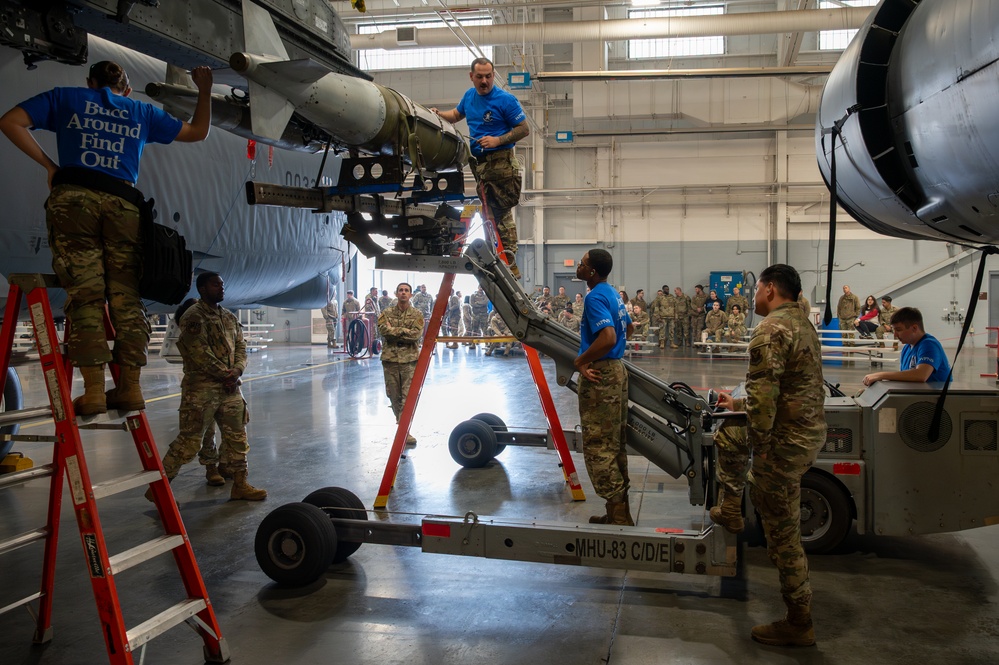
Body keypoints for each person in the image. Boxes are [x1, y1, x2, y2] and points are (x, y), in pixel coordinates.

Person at [0, 61, 214, 415]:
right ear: (127, 89)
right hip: (123, 205)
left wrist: (51, 167)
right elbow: (197, 132)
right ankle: (129, 388)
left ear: (90, 82)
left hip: (75, 200)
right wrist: (204, 90)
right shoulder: (140, 111)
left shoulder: (66, 98)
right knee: (127, 297)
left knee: (86, 296)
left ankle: (95, 391)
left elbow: (10, 122)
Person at [711, 264, 826, 646]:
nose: (754, 297)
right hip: (805, 433)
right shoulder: (803, 323)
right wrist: (737, 403)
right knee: (732, 429)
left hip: (784, 442)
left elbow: (764, 401)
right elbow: (787, 387)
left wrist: (760, 456)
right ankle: (731, 508)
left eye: (757, 288)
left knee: (783, 535)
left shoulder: (770, 328)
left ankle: (799, 621)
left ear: (771, 288)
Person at [147, 272, 267, 502]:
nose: (221, 289)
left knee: (237, 437)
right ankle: (158, 489)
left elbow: (241, 345)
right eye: (216, 285)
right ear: (202, 288)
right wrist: (226, 375)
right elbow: (199, 353)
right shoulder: (193, 317)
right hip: (202, 391)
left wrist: (238, 370)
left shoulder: (229, 317)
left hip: (229, 389)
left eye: (222, 285)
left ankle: (240, 485)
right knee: (189, 441)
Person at [431, 58, 529, 279]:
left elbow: (524, 129)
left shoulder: (505, 100)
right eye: (480, 77)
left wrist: (498, 140)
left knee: (501, 213)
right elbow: (456, 115)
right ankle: (497, 258)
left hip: (501, 162)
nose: (484, 81)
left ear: (493, 75)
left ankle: (509, 263)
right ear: (471, 76)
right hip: (480, 164)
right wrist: (439, 114)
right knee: (489, 213)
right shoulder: (469, 96)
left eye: (488, 76)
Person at [575, 249, 633, 526]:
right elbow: (627, 329)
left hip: (601, 374)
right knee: (614, 442)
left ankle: (618, 515)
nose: (578, 266)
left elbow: (608, 336)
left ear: (592, 272)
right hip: (617, 371)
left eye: (582, 264)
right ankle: (618, 511)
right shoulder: (613, 294)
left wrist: (583, 360)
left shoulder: (595, 296)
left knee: (598, 444)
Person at [377, 283, 424, 447]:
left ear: (411, 295)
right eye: (401, 290)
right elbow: (383, 330)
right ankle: (401, 425)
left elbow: (416, 335)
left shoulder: (417, 314)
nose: (403, 293)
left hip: (409, 361)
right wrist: (405, 331)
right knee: (393, 396)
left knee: (407, 397)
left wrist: (395, 331)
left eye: (406, 291)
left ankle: (404, 431)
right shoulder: (386, 313)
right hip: (390, 361)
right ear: (396, 294)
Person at [862, 307, 950, 385]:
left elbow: (921, 375)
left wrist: (881, 375)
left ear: (914, 328)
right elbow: (905, 378)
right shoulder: (907, 348)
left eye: (899, 330)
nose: (895, 335)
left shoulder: (929, 345)